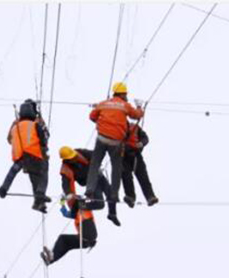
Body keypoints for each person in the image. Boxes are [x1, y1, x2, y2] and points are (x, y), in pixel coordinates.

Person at [85, 82, 145, 215]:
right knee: (116, 169)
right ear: (123, 94)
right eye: (126, 94)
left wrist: (102, 123)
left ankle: (90, 189)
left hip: (101, 138)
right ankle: (114, 195)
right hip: (116, 142)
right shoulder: (125, 105)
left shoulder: (103, 103)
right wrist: (140, 107)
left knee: (95, 164)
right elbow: (137, 115)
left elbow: (92, 116)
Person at [0, 99, 51, 212]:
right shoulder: (37, 121)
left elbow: (9, 139)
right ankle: (39, 200)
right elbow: (45, 136)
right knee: (41, 175)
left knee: (28, 176)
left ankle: (4, 188)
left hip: (20, 155)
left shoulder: (16, 123)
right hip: (36, 153)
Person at [58, 146, 121, 226]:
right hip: (90, 182)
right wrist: (68, 193)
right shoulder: (65, 168)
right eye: (71, 158)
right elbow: (65, 184)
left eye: (73, 156)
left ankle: (112, 214)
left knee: (111, 195)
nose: (74, 158)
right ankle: (78, 205)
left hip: (98, 175)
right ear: (67, 160)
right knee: (100, 204)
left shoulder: (80, 152)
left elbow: (95, 154)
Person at [40, 195, 97, 266]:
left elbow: (85, 200)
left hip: (88, 235)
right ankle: (51, 260)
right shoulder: (76, 215)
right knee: (66, 245)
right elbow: (65, 213)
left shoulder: (86, 209)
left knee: (62, 238)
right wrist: (62, 203)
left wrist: (75, 197)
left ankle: (52, 256)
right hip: (85, 241)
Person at [121, 121, 158, 208]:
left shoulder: (135, 127)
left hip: (135, 154)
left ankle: (150, 196)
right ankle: (130, 197)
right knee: (126, 177)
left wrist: (141, 143)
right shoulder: (117, 127)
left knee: (143, 176)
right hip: (123, 156)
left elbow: (145, 138)